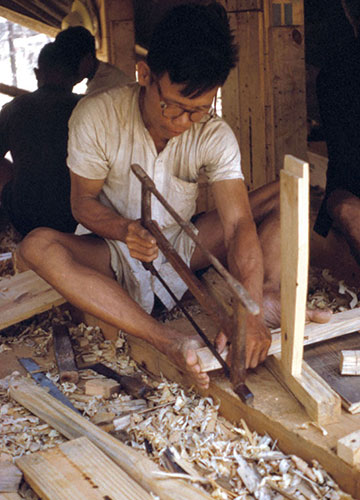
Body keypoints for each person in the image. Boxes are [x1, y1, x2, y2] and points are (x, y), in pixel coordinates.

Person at [19, 3, 330, 389]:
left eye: (198, 111)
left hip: (182, 243)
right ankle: (165, 338)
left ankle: (266, 301)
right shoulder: (95, 116)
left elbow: (236, 226)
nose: (184, 123)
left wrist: (246, 310)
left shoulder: (214, 134)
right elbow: (81, 204)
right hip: (113, 250)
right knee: (36, 247)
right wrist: (124, 229)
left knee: (285, 202)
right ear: (145, 74)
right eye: (174, 106)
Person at [0, 42, 82, 236]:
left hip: (25, 215)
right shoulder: (86, 107)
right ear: (76, 77)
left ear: (37, 74)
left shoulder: (14, 108)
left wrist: (17, 180)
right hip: (77, 214)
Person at [314, 0, 360, 266]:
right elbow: (346, 163)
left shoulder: (332, 75)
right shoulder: (335, 76)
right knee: (347, 209)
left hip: (346, 193)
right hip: (348, 194)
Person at [54, 26, 132, 94]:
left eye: (72, 65)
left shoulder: (101, 88)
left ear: (88, 58)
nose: (68, 71)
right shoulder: (107, 73)